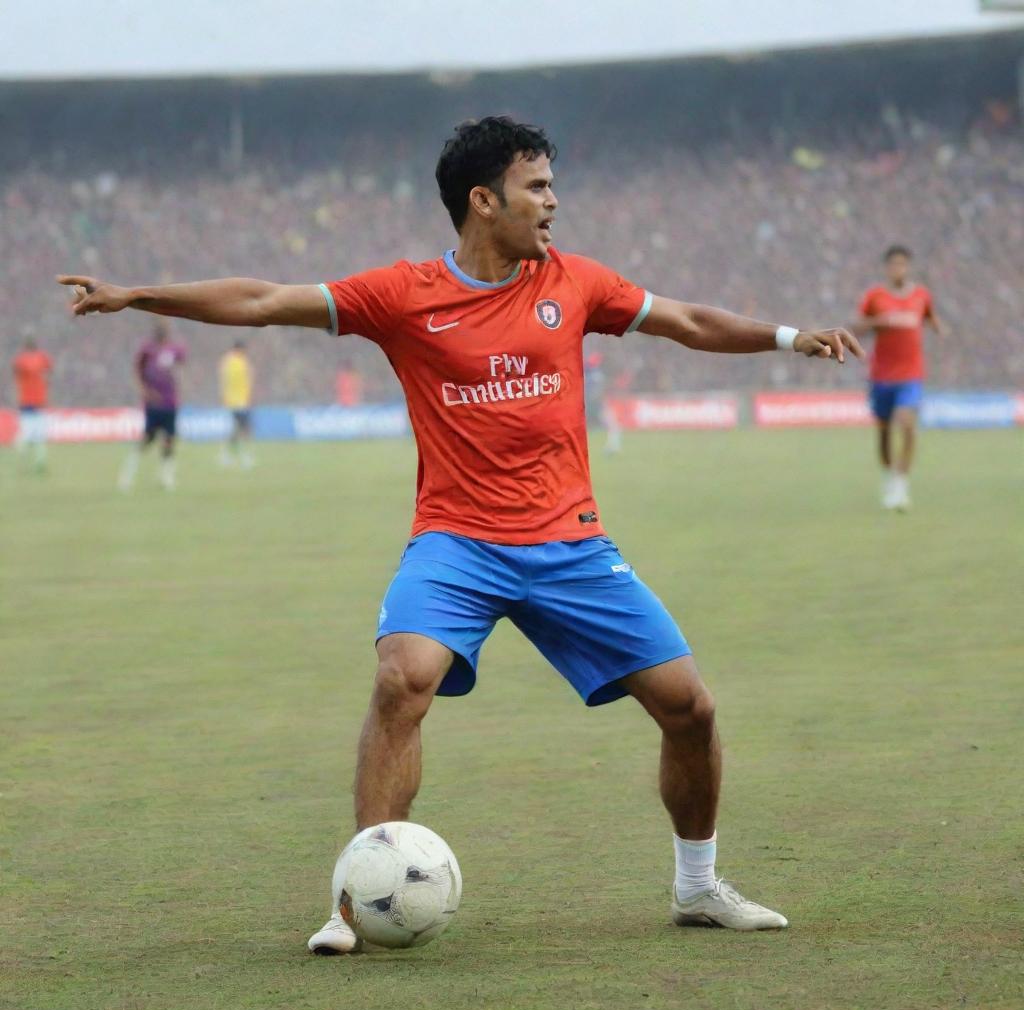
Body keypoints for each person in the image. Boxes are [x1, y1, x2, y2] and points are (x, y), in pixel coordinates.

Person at [58, 116, 862, 952]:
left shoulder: (576, 282)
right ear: (484, 201)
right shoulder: (402, 295)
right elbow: (263, 301)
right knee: (403, 680)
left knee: (690, 709)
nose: (553, 203)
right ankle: (351, 903)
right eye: (537, 187)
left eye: (552, 186)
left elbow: (686, 322)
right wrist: (136, 295)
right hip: (457, 543)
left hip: (572, 547)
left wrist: (785, 337)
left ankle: (698, 890)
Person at [853, 246, 948, 511]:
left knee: (907, 424)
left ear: (908, 267)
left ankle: (901, 483)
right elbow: (857, 325)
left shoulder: (921, 295)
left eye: (902, 264)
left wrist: (940, 329)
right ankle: (888, 475)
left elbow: (930, 317)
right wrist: (880, 321)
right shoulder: (875, 297)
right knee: (883, 432)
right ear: (886, 268)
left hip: (911, 375)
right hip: (881, 375)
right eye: (893, 264)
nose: (898, 269)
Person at [118, 320, 187, 492]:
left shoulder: (174, 350)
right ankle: (127, 475)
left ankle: (166, 478)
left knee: (169, 440)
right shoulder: (147, 350)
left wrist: (180, 389)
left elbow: (182, 366)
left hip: (170, 403)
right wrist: (143, 390)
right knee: (147, 439)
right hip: (154, 403)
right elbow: (137, 370)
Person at [11, 332, 52, 473]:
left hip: (27, 403)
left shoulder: (20, 360)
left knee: (27, 435)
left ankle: (23, 462)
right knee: (39, 436)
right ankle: (39, 463)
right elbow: (48, 372)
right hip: (37, 402)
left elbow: (16, 373)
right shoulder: (42, 358)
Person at [219, 340, 255, 468]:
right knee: (243, 429)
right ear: (239, 349)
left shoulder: (228, 361)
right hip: (237, 401)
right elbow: (248, 378)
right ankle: (243, 456)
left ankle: (228, 455)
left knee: (237, 429)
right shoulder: (238, 361)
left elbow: (224, 380)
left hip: (238, 400)